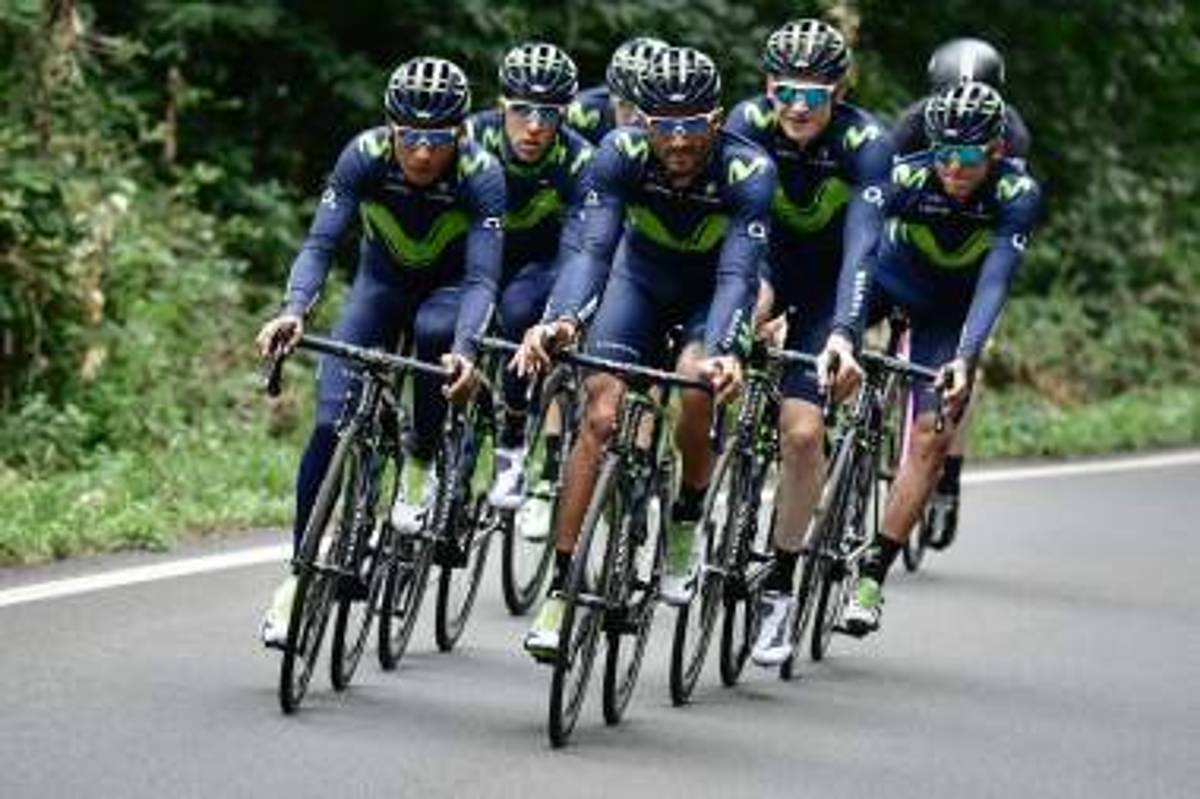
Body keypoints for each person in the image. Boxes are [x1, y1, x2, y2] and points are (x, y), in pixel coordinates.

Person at [514, 46, 776, 658]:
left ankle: (685, 516)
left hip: (708, 293)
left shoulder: (749, 170)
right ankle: (562, 585)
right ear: (643, 123)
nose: (678, 141)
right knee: (601, 415)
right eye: (664, 126)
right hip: (640, 282)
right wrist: (559, 321)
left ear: (716, 121)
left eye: (692, 127)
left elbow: (739, 274)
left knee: (693, 381)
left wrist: (730, 349)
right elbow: (595, 253)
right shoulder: (620, 152)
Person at [255, 57, 506, 646]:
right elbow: (320, 242)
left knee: (433, 334)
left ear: (461, 133)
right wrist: (294, 310)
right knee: (327, 424)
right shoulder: (364, 155)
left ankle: (420, 458)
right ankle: (299, 575)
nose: (421, 153)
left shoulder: (480, 173)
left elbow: (482, 282)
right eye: (409, 136)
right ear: (391, 127)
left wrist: (468, 349)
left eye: (437, 138)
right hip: (379, 287)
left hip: (447, 295)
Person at [834, 81, 1043, 635]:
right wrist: (843, 329)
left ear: (996, 152)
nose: (953, 168)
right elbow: (857, 247)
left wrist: (966, 358)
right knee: (826, 354)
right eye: (944, 153)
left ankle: (871, 578)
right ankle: (834, 439)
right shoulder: (906, 175)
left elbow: (995, 283)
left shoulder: (1015, 194)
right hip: (889, 280)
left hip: (950, 312)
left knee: (932, 433)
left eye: (968, 156)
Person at [723, 18, 894, 666]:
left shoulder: (866, 143)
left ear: (839, 93)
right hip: (762, 266)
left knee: (800, 433)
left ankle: (782, 585)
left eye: (815, 95)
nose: (797, 106)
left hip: (829, 287)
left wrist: (846, 336)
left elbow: (862, 248)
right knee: (725, 339)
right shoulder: (746, 121)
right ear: (769, 86)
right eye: (786, 91)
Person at [892, 37, 1034, 550]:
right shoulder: (913, 124)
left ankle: (947, 474)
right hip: (915, 247)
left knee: (962, 363)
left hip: (972, 256)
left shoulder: (1012, 132)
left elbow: (998, 214)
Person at [463, 42, 596, 509]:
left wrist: (561, 315)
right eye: (522, 110)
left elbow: (582, 249)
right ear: (502, 106)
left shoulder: (580, 160)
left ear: (566, 113)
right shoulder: (471, 137)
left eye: (549, 113)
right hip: (475, 253)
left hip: (541, 262)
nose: (535, 126)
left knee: (520, 312)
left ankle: (513, 440)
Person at [566, 36, 668, 144]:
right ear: (612, 99)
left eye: (647, 107)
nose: (634, 119)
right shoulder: (580, 112)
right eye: (625, 106)